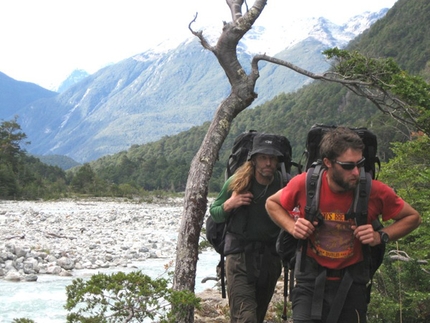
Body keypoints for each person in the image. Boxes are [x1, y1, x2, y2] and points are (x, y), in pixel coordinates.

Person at [265, 127, 421, 323]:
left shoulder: (372, 191)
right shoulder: (306, 184)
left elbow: (412, 217)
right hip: (310, 281)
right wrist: (291, 226)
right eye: (348, 166)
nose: (356, 172)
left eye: (360, 164)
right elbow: (272, 203)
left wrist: (380, 236)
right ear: (328, 163)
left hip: (352, 283)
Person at [209, 133, 285, 323]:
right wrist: (231, 203)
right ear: (254, 160)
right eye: (263, 158)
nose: (268, 163)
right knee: (246, 317)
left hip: (270, 260)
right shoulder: (238, 181)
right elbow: (215, 213)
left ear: (278, 161)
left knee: (256, 317)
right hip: (239, 259)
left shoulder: (285, 183)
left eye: (272, 158)